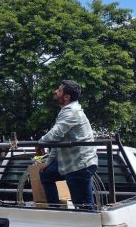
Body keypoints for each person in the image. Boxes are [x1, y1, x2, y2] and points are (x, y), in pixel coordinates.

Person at [37, 80, 98, 209]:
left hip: (79, 165)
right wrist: (49, 161)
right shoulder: (66, 111)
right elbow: (58, 140)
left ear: (66, 97)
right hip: (70, 163)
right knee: (46, 174)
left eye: (59, 90)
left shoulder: (71, 112)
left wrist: (40, 143)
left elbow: (55, 134)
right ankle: (55, 210)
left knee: (83, 206)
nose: (55, 91)